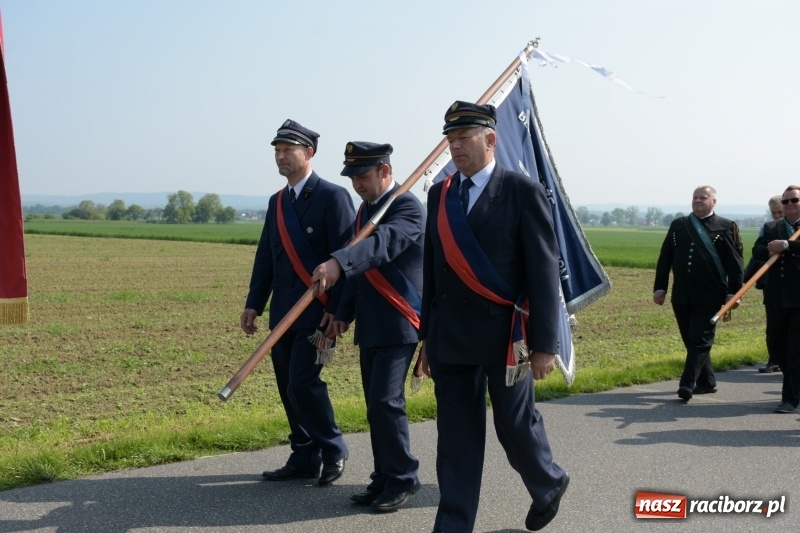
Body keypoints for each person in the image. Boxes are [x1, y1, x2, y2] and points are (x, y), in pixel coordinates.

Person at [416, 101, 569, 532]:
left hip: (508, 338)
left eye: (463, 138)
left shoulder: (522, 191)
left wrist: (544, 345)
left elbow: (542, 274)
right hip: (451, 340)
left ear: (491, 139)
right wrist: (427, 338)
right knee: (457, 441)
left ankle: (548, 482)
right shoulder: (439, 194)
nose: (455, 146)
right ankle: (453, 525)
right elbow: (433, 271)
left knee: (514, 426)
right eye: (450, 139)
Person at [240, 119, 354, 485]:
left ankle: (333, 449)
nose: (281, 156)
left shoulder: (333, 197)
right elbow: (266, 259)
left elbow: (348, 258)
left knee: (302, 383)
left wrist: (338, 311)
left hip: (317, 312)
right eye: (277, 150)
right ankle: (304, 454)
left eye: (288, 150)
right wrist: (254, 304)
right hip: (283, 312)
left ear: (309, 153)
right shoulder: (277, 203)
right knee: (286, 384)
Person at [311, 141, 424, 512]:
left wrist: (337, 262)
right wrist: (342, 311)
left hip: (400, 320)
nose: (357, 183)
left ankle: (403, 478)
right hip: (373, 324)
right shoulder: (366, 210)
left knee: (385, 401)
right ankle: (384, 477)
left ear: (385, 172)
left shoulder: (406, 206)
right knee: (375, 406)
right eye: (353, 177)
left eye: (363, 176)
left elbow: (382, 246)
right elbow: (361, 276)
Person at [653, 185, 744, 401]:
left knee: (700, 339)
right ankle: (707, 381)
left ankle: (687, 383)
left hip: (711, 295)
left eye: (703, 197)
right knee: (690, 340)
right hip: (682, 295)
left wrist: (734, 292)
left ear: (714, 201)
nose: (698, 201)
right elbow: (665, 256)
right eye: (695, 197)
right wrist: (660, 286)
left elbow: (735, 263)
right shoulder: (679, 225)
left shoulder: (725, 226)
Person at [752, 185, 800, 413]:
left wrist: (788, 246)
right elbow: (757, 251)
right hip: (776, 297)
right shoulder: (772, 227)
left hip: (799, 299)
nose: (790, 204)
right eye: (786, 201)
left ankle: (790, 399)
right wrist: (770, 250)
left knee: (794, 350)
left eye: (794, 200)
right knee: (777, 347)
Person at [749, 195, 784, 373]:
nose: (777, 216)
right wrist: (769, 251)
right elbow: (757, 251)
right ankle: (774, 359)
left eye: (780, 211)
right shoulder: (768, 228)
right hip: (773, 283)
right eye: (774, 213)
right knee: (773, 325)